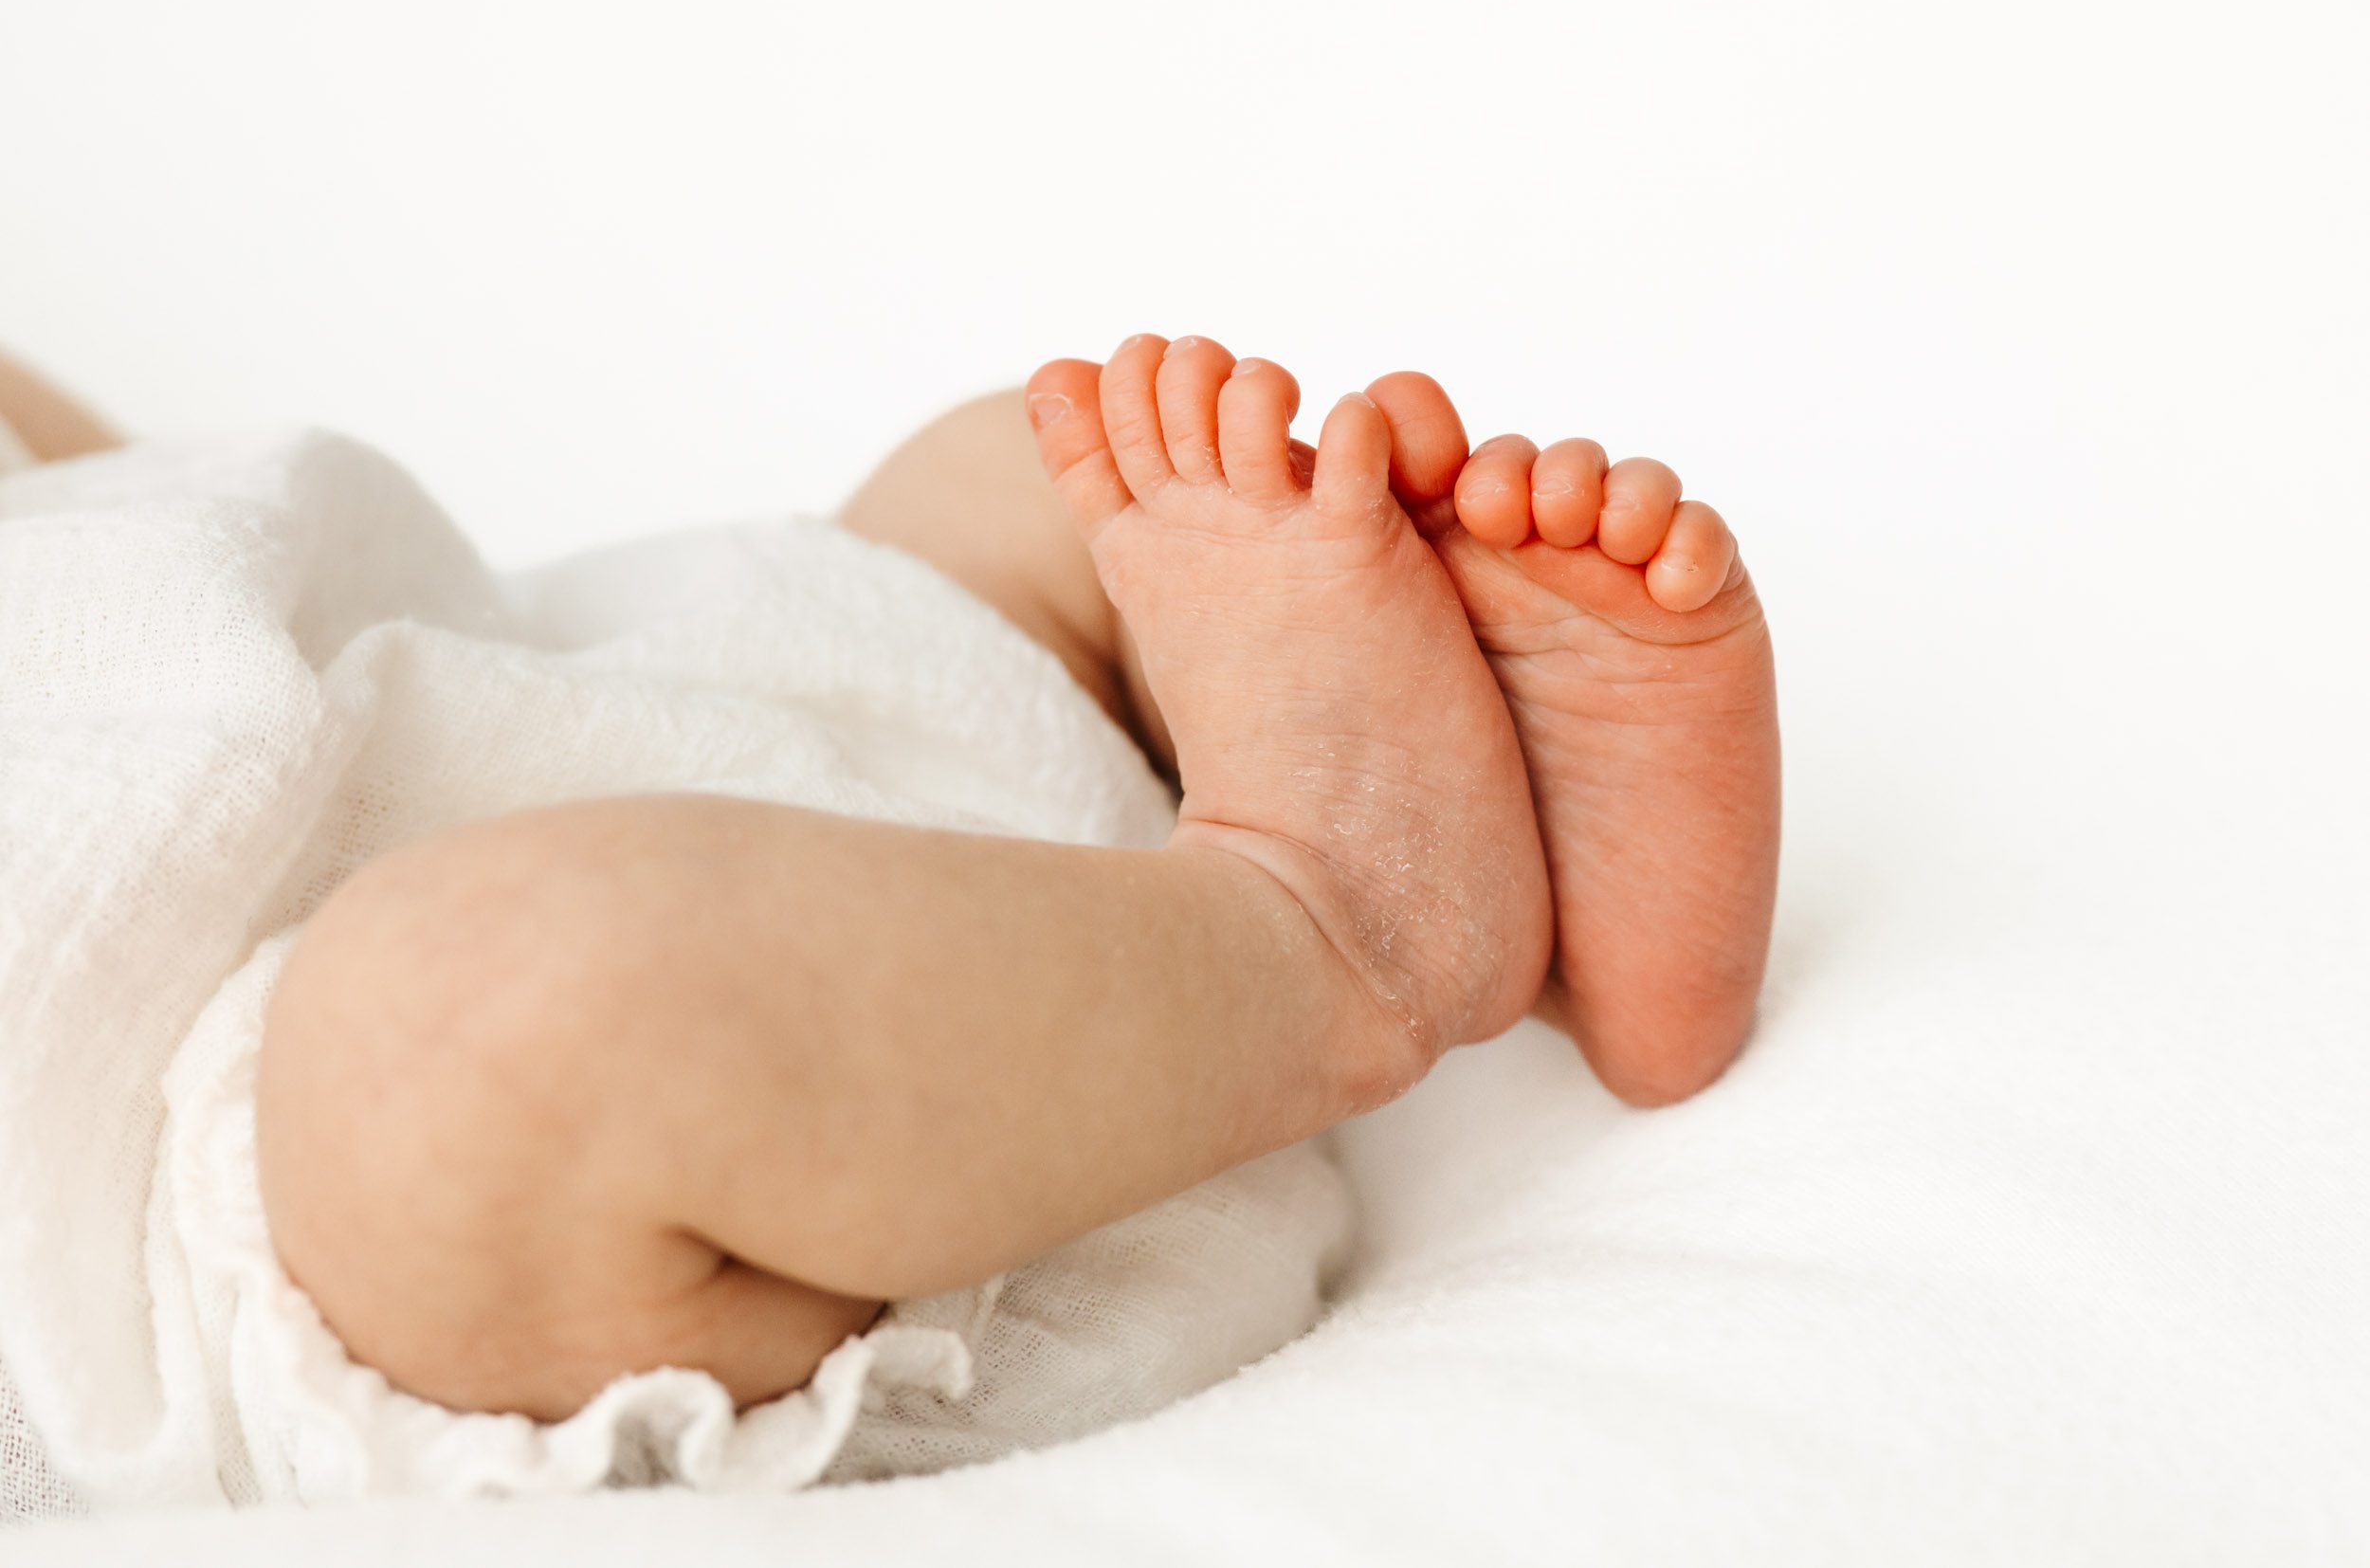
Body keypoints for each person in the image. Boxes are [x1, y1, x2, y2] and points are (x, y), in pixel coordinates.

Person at [2, 336, 1780, 1426]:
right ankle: (1341, 933)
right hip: (316, 1212)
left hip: (551, 711)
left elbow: (149, 504)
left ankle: (1550, 886)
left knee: (1012, 465)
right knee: (465, 1024)